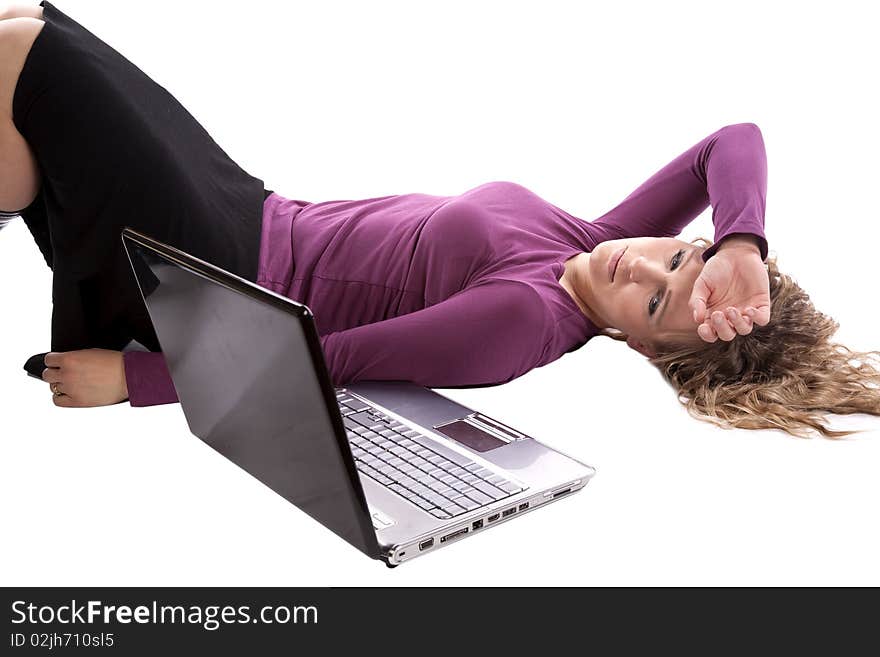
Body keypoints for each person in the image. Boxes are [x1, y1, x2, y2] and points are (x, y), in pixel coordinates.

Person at [2, 3, 878, 438]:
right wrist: (741, 243)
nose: (642, 269)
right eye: (679, 255)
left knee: (21, 58)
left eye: (657, 306)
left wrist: (139, 381)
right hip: (246, 204)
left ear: (644, 349)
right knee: (22, 31)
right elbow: (730, 141)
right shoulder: (586, 245)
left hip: (219, 269)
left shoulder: (522, 321)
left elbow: (321, 362)